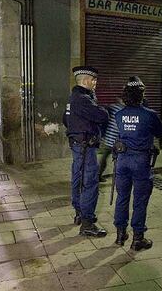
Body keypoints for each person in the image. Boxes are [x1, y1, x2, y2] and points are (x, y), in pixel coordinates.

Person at [113, 76, 162, 251]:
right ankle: (138, 238)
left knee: (122, 197)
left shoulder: (119, 114)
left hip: (122, 160)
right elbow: (161, 131)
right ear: (142, 94)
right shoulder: (149, 115)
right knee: (140, 200)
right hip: (141, 161)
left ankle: (120, 235)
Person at [63, 66, 109, 238]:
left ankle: (79, 213)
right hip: (86, 147)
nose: (96, 83)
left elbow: (64, 119)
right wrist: (102, 110)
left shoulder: (72, 98)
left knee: (77, 178)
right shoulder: (82, 99)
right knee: (89, 183)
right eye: (94, 80)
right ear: (85, 81)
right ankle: (87, 223)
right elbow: (102, 116)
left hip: (78, 145)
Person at [98, 98, 123, 182]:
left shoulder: (112, 107)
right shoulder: (124, 110)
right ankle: (118, 178)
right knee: (119, 161)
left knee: (104, 159)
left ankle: (98, 175)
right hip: (116, 141)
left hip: (109, 139)